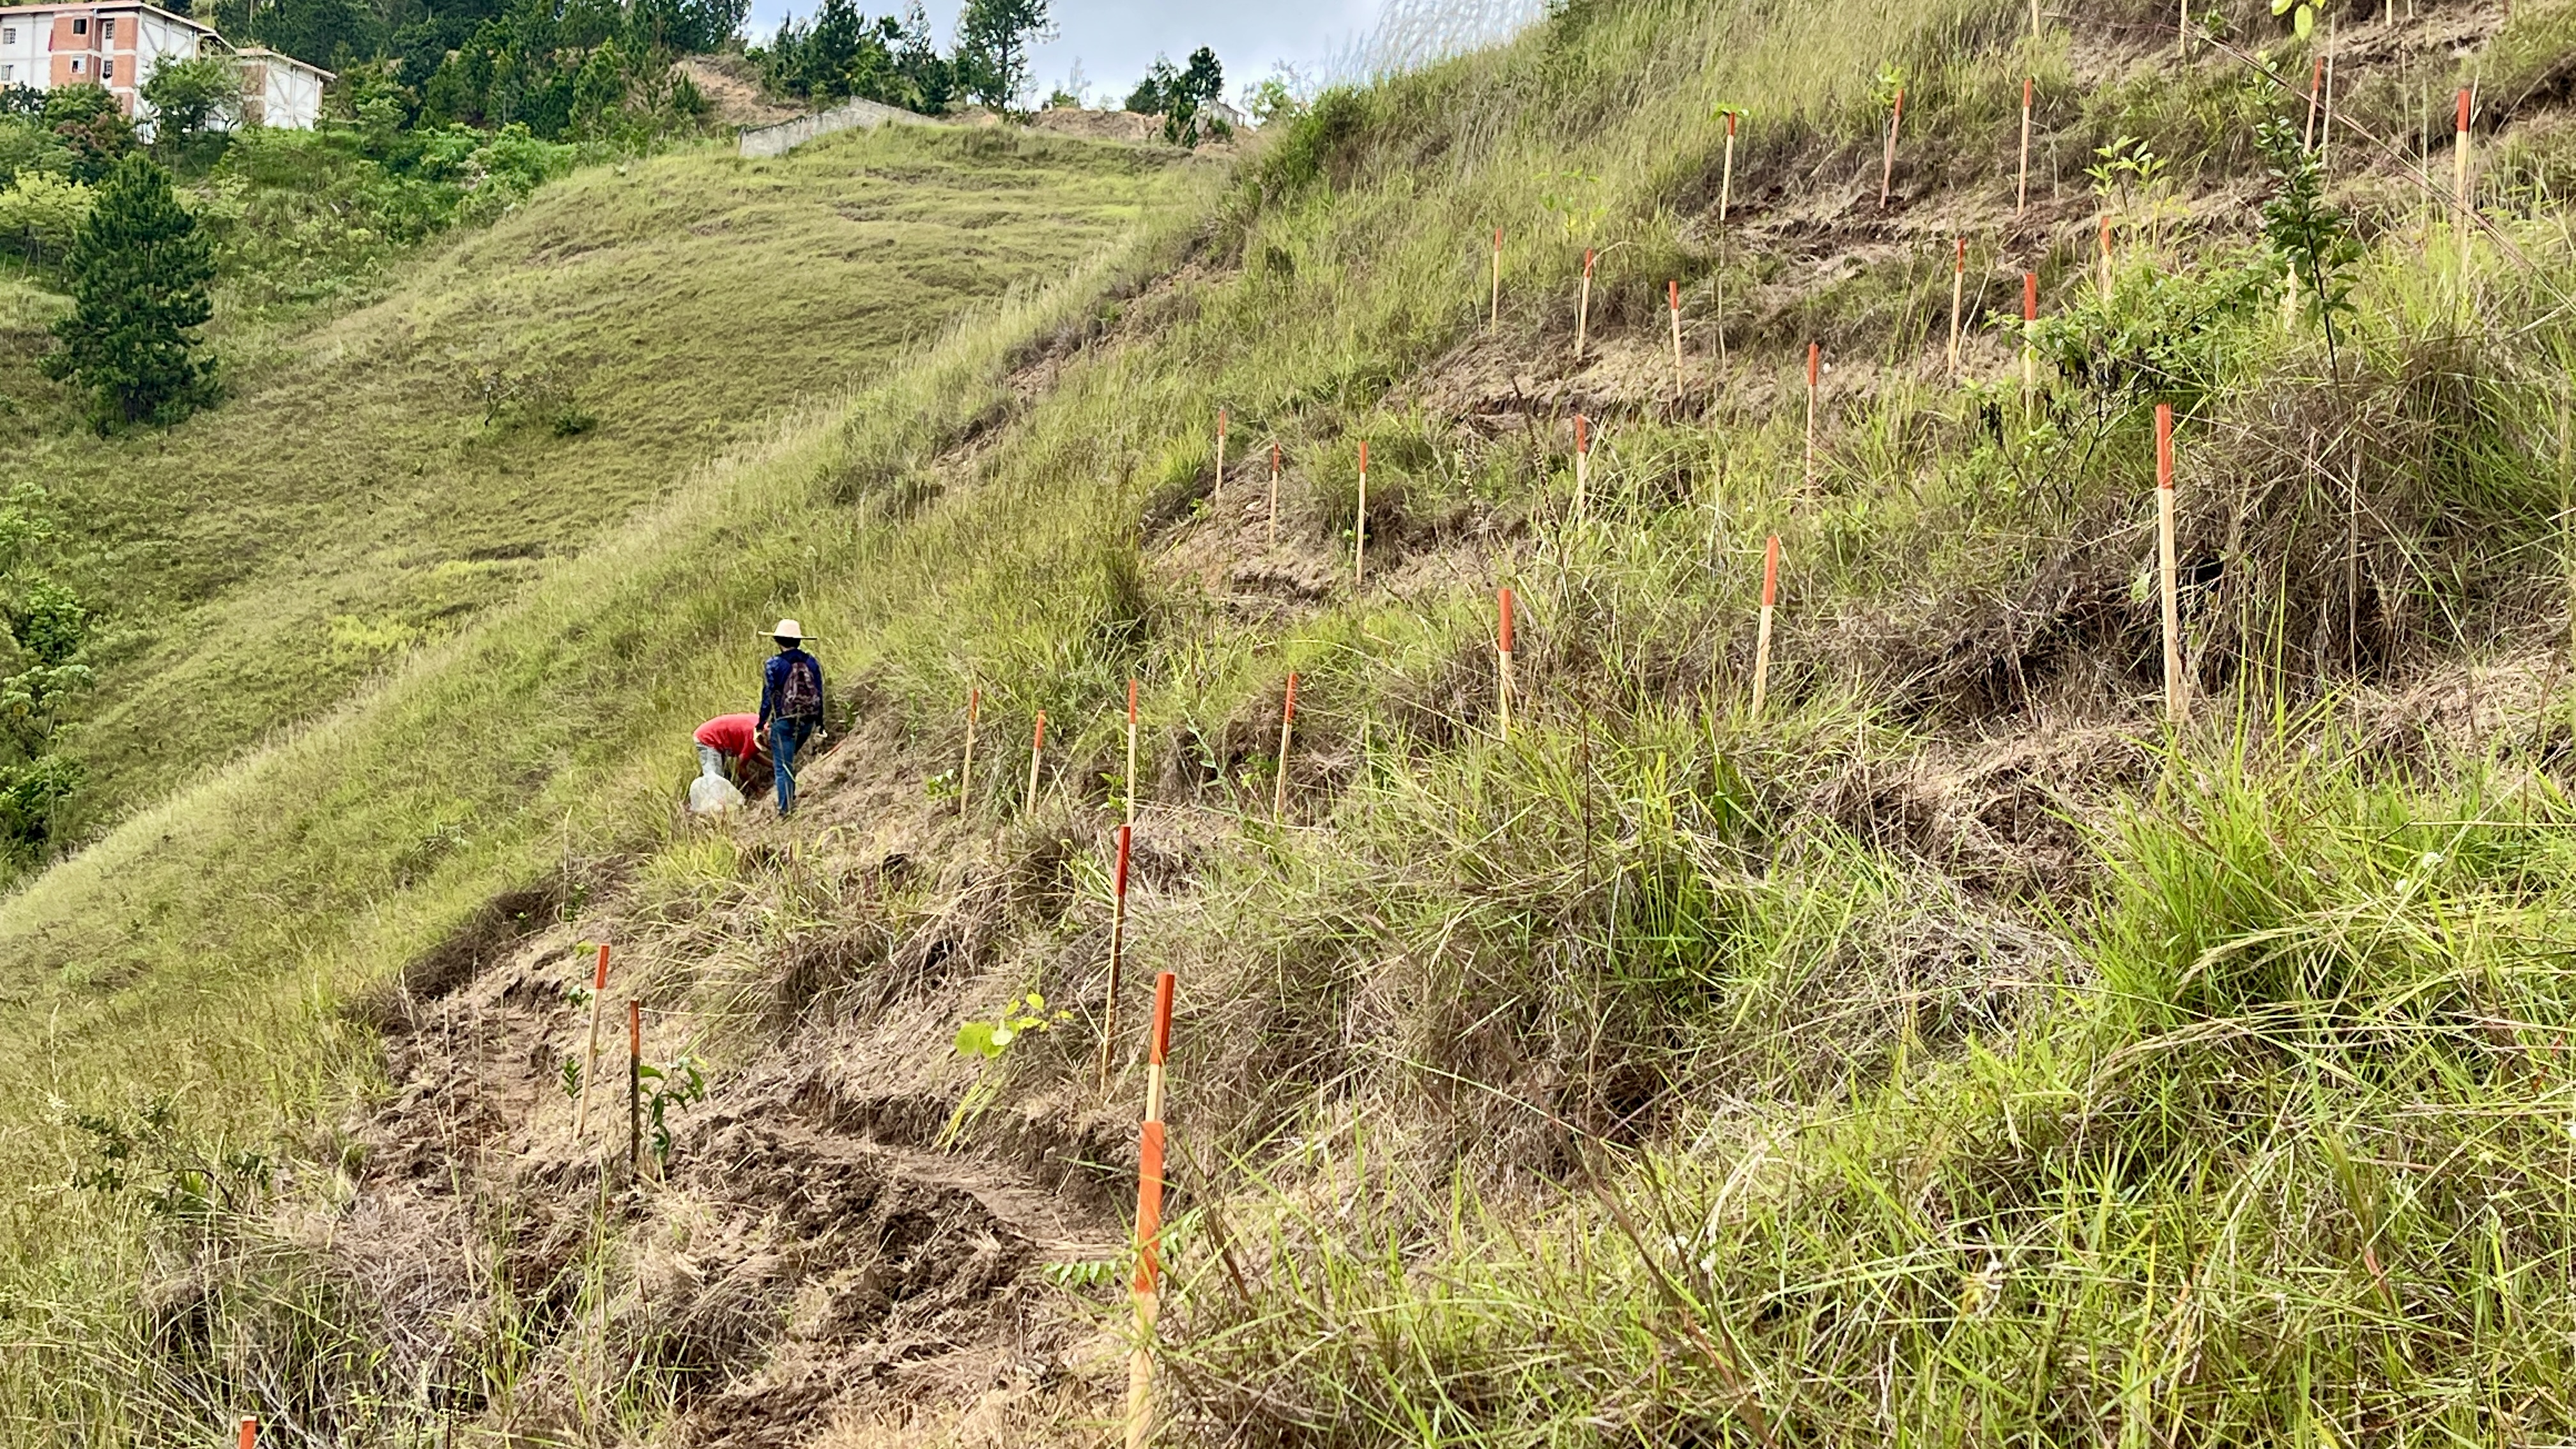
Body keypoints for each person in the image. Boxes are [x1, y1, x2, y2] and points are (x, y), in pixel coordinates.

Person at [757, 619, 827, 816]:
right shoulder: (811, 662)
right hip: (808, 720)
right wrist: (820, 723)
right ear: (798, 640)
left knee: (782, 766)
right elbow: (820, 692)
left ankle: (785, 810)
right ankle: (791, 797)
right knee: (789, 760)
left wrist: (761, 723)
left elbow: (768, 696)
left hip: (784, 721)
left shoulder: (773, 664)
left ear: (778, 640)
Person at [693, 712, 767, 791]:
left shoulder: (765, 724)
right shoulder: (752, 737)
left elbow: (750, 753)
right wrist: (757, 790)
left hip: (718, 733)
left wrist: (773, 765)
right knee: (715, 778)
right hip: (707, 737)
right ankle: (715, 800)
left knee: (723, 775)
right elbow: (741, 769)